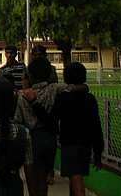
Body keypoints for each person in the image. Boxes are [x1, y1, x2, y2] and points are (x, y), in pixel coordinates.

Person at [15, 57, 87, 196]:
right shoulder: (54, 89)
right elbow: (75, 87)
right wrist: (85, 87)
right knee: (45, 177)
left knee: (35, 177)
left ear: (30, 75)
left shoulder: (23, 96)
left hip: (32, 138)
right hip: (50, 137)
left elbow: (18, 120)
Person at [45, 62, 103, 196]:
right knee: (75, 176)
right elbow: (96, 125)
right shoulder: (90, 99)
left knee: (75, 177)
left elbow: (52, 118)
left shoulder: (64, 97)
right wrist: (98, 151)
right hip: (86, 144)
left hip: (70, 143)